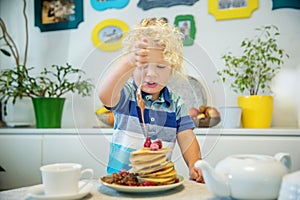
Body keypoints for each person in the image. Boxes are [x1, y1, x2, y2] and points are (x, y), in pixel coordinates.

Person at [98, 17, 204, 183]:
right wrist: (128, 62)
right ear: (133, 69)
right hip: (121, 181)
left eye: (161, 67)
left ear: (171, 70)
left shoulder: (175, 104)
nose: (151, 74)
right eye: (143, 66)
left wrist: (194, 164)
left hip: (159, 181)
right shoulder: (128, 95)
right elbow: (105, 94)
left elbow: (187, 138)